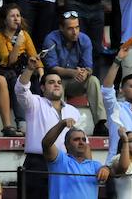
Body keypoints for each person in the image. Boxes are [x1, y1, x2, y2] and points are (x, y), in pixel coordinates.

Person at [16, 56, 82, 199]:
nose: (56, 85)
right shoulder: (34, 103)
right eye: (51, 82)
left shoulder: (73, 111)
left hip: (65, 163)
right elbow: (21, 90)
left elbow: (80, 140)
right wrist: (30, 69)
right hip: (37, 163)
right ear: (42, 87)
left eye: (59, 82)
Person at [42, 13, 107, 136]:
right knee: (56, 82)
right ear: (61, 28)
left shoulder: (84, 39)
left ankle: (100, 124)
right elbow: (52, 68)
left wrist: (84, 73)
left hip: (75, 81)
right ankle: (58, 125)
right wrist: (74, 72)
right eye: (70, 28)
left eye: (77, 27)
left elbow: (89, 67)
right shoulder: (51, 39)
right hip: (57, 79)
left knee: (93, 80)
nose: (75, 32)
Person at [42, 118, 110, 199]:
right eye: (76, 139)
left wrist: (107, 168)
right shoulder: (60, 160)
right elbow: (46, 144)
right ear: (67, 144)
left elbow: (117, 169)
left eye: (84, 140)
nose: (81, 142)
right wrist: (62, 124)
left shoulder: (95, 165)